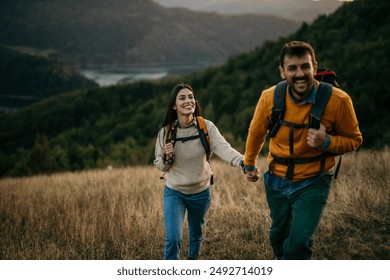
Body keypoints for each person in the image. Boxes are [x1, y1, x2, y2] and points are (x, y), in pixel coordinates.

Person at [242, 41, 363, 260]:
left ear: (314, 68)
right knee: (277, 238)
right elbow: (256, 132)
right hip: (276, 180)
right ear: (282, 72)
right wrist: (248, 164)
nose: (300, 74)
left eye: (305, 67)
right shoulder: (269, 97)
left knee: (297, 244)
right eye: (292, 68)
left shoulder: (339, 101)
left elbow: (354, 139)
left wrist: (326, 142)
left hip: (314, 181)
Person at [154, 83, 245, 260]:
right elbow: (160, 165)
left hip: (201, 193)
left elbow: (225, 150)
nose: (188, 101)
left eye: (190, 97)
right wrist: (166, 157)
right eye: (182, 98)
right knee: (173, 239)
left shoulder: (206, 127)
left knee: (196, 235)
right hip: (175, 193)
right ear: (174, 105)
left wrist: (244, 162)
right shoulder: (165, 132)